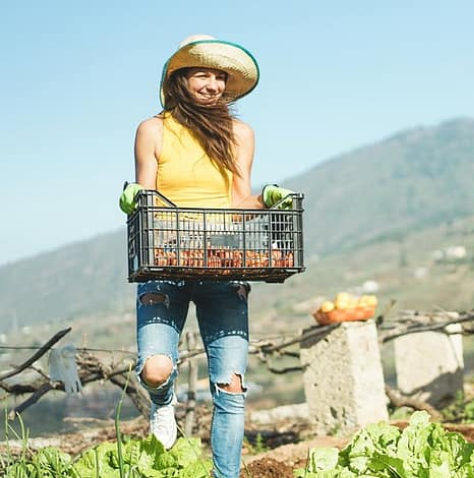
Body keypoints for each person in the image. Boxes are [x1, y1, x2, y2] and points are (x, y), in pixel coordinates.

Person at [117, 35, 294, 478]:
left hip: (221, 261)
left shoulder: (239, 133)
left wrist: (267, 199)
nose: (214, 84)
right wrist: (134, 199)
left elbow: (237, 203)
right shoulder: (153, 130)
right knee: (156, 369)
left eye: (220, 77)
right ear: (180, 78)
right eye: (203, 73)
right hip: (165, 260)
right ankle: (163, 403)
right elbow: (150, 199)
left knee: (230, 388)